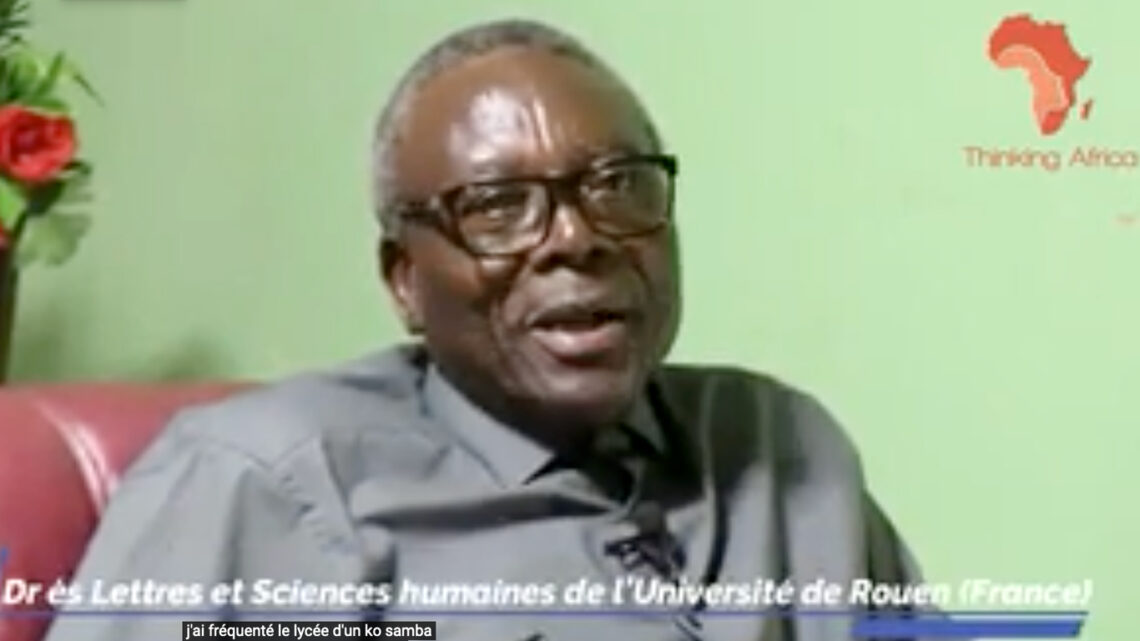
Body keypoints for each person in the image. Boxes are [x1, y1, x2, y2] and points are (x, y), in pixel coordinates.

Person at [46, 18, 923, 641]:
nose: (576, 237)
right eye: (499, 206)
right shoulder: (265, 479)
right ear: (405, 279)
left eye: (619, 184)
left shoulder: (782, 446)